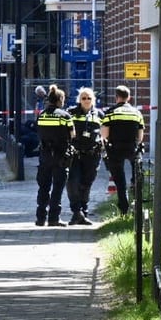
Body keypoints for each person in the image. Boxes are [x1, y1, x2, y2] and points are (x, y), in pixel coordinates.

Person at [101, 85, 145, 217]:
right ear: (129, 97)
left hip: (115, 149)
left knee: (120, 181)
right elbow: (141, 136)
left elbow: (104, 134)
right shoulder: (137, 113)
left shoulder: (110, 112)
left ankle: (124, 210)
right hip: (132, 148)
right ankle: (137, 200)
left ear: (116, 97)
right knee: (137, 176)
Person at [34, 85, 75, 227]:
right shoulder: (65, 116)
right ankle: (53, 218)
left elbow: (39, 132)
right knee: (57, 187)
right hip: (60, 156)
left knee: (43, 187)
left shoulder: (42, 115)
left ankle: (40, 218)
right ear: (60, 100)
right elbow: (72, 135)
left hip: (45, 155)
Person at [65, 87, 104, 225]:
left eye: (89, 98)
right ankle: (76, 211)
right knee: (72, 182)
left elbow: (105, 132)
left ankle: (83, 212)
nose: (86, 100)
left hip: (92, 155)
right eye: (83, 98)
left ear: (93, 99)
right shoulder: (71, 112)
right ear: (79, 100)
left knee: (86, 184)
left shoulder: (99, 114)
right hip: (75, 154)